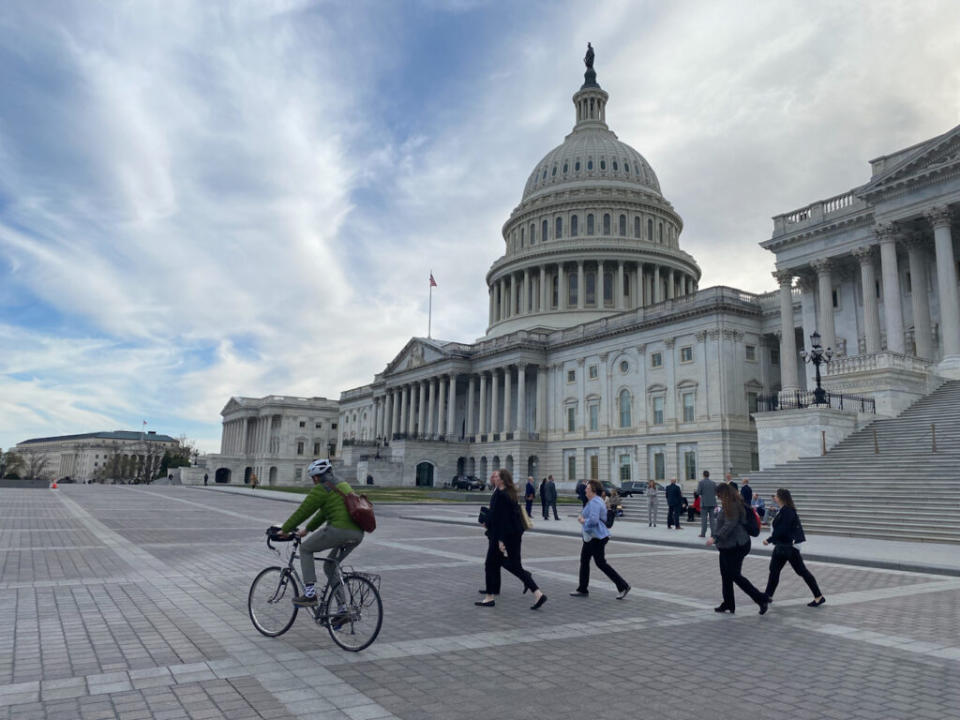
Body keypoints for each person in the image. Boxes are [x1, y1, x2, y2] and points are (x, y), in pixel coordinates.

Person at [279, 459, 364, 609]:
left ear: (317, 477)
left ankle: (310, 594)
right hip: (357, 533)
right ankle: (342, 609)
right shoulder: (342, 485)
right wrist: (307, 529)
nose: (313, 482)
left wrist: (285, 529)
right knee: (330, 566)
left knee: (305, 549)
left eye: (313, 478)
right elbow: (324, 513)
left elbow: (303, 511)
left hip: (339, 531)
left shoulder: (321, 488)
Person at [476, 468, 547, 610]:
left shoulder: (501, 495)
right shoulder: (510, 493)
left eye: (497, 477)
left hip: (502, 536)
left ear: (502, 480)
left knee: (491, 564)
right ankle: (538, 593)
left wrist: (501, 540)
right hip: (513, 535)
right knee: (514, 566)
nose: (494, 478)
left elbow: (501, 519)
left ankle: (489, 598)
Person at [706, 484, 768, 615]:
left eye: (719, 495)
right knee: (726, 575)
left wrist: (715, 537)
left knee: (734, 575)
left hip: (736, 546)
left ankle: (761, 599)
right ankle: (728, 603)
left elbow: (730, 524)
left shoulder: (733, 505)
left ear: (724, 494)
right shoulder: (730, 503)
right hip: (726, 546)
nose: (718, 497)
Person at [762, 489, 825, 608]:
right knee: (774, 571)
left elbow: (783, 530)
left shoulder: (788, 511)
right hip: (781, 547)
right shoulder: (783, 510)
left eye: (776, 495)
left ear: (781, 497)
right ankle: (767, 596)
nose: (774, 497)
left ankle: (819, 596)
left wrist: (769, 540)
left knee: (801, 571)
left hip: (789, 548)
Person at [571, 480, 630, 599]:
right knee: (585, 561)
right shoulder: (594, 501)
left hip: (596, 537)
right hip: (592, 537)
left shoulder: (595, 502)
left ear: (592, 490)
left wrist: (583, 521)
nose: (584, 490)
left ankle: (623, 585)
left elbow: (593, 520)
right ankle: (582, 588)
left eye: (587, 488)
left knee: (600, 563)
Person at [698, 470, 717, 537]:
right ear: (709, 475)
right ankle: (713, 534)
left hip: (704, 503)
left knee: (704, 519)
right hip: (712, 503)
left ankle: (703, 533)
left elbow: (698, 492)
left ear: (703, 475)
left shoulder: (701, 482)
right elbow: (716, 492)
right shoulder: (713, 483)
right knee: (712, 519)